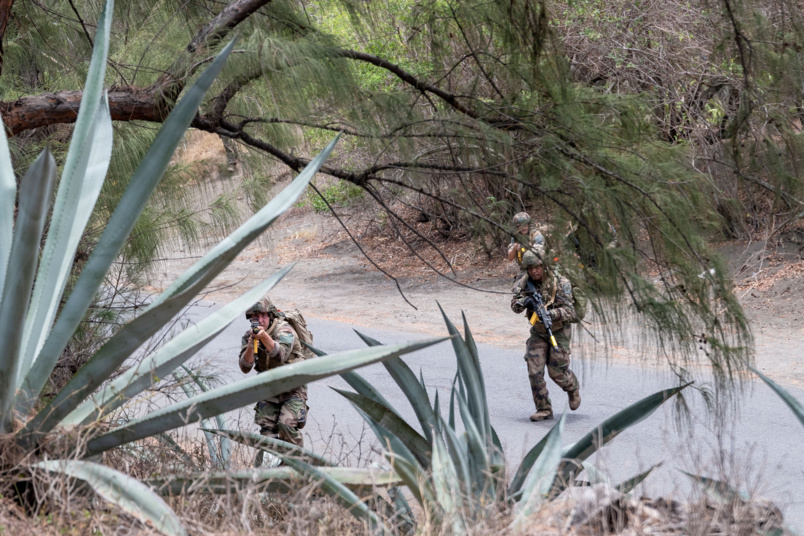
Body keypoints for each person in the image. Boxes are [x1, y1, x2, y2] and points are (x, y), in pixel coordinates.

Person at [511, 248, 581, 421]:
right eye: (530, 268)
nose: (534, 271)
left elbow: (570, 311)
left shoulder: (560, 282)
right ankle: (543, 409)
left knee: (556, 372)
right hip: (538, 331)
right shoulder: (524, 282)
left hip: (559, 330)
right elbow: (514, 305)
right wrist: (525, 301)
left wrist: (551, 314)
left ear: (544, 265)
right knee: (534, 371)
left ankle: (572, 388)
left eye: (537, 267)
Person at [239, 296, 308, 446]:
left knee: (286, 426)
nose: (260, 320)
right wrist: (251, 346)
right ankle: (272, 460)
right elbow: (245, 367)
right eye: (255, 317)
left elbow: (280, 355)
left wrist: (263, 337)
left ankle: (297, 459)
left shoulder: (284, 330)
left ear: (270, 315)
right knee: (267, 433)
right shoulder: (250, 336)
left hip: (293, 387)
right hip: (269, 387)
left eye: (263, 316)